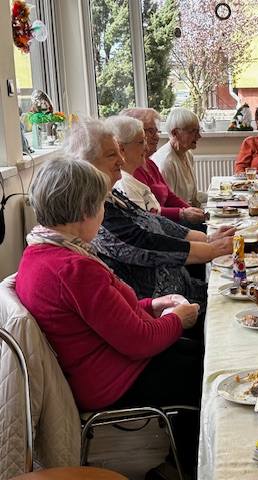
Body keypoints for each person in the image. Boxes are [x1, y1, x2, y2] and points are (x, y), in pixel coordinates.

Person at [15, 156, 202, 478]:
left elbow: (105, 314)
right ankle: (191, 467)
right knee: (208, 375)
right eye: (101, 204)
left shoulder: (40, 251)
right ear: (85, 210)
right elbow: (139, 342)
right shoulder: (74, 268)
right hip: (112, 379)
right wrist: (177, 319)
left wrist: (152, 305)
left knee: (200, 349)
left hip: (105, 364)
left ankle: (177, 462)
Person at [63, 118, 233, 310]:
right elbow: (142, 243)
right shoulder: (93, 211)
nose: (121, 159)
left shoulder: (111, 196)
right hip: (162, 307)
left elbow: (153, 220)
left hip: (183, 291)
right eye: (112, 154)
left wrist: (208, 240)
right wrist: (211, 250)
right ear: (86, 164)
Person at [121, 107, 206, 225]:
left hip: (169, 223)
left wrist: (191, 211)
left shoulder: (149, 163)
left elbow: (170, 196)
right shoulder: (131, 172)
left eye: (156, 131)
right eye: (150, 131)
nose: (156, 137)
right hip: (164, 225)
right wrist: (183, 213)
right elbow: (147, 213)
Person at [152, 107, 207, 208]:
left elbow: (191, 197)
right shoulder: (167, 163)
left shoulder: (187, 154)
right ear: (175, 133)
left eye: (198, 131)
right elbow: (167, 204)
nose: (199, 136)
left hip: (190, 211)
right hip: (179, 216)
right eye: (193, 131)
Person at [107, 115, 162, 214]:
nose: (146, 148)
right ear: (122, 148)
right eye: (141, 142)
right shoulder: (124, 185)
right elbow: (143, 222)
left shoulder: (130, 180)